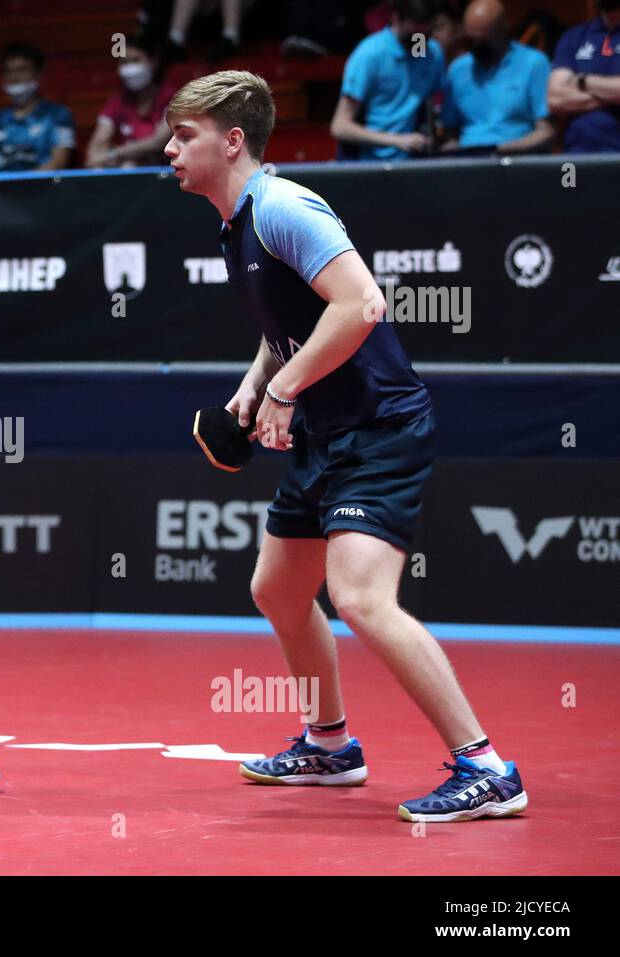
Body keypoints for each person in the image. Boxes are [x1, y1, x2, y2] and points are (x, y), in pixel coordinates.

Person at [162, 71, 527, 822]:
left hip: (379, 427)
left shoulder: (286, 207)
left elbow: (361, 303)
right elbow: (293, 320)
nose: (168, 149)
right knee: (278, 589)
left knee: (360, 596)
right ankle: (329, 745)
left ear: (231, 142)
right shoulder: (235, 221)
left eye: (184, 135)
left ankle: (487, 766)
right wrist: (256, 381)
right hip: (326, 433)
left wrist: (285, 389)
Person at [329, 0, 445, 161]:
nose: (420, 42)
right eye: (414, 35)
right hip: (370, 165)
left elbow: (433, 105)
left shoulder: (431, 54)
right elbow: (340, 127)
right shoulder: (369, 55)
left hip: (414, 165)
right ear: (396, 18)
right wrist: (397, 141)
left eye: (426, 35)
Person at [439, 0, 554, 155]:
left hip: (515, 159)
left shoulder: (534, 64)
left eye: (483, 40)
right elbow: (450, 132)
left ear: (504, 28)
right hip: (468, 160)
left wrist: (495, 150)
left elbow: (546, 132)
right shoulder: (458, 69)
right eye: (471, 41)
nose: (476, 46)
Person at [86, 33, 174, 168]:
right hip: (125, 165)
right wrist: (95, 157)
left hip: (163, 168)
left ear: (153, 61)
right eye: (124, 62)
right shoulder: (117, 101)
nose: (130, 68)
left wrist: (114, 153)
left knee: (129, 165)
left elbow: (157, 142)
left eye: (135, 60)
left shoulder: (171, 97)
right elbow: (98, 142)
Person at [0, 43, 75, 171]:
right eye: (9, 71)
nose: (14, 77)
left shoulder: (58, 116)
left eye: (21, 70)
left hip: (43, 188)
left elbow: (59, 161)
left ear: (38, 75)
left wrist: (27, 186)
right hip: (1, 189)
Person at [547, 0, 620, 154]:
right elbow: (555, 99)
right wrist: (612, 95)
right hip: (576, 154)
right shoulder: (574, 36)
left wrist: (582, 80)